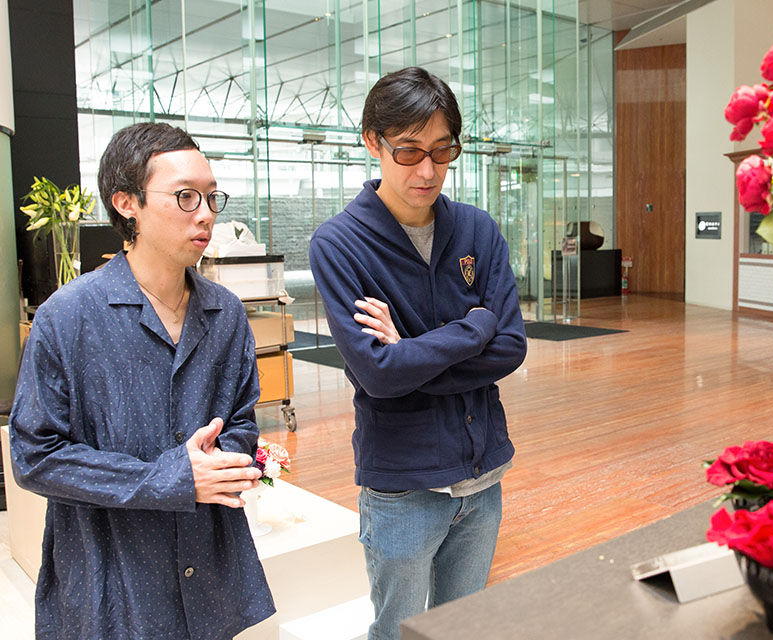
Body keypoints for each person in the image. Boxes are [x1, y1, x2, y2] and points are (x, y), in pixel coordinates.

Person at [9, 122, 276, 639]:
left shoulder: (225, 313)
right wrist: (172, 477)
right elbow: (35, 456)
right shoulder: (68, 317)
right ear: (127, 203)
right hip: (114, 580)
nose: (206, 213)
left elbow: (242, 421)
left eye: (211, 197)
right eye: (185, 196)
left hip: (208, 573)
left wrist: (222, 460)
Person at [308, 67, 527, 640]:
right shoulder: (339, 244)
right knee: (398, 631)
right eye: (408, 151)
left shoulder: (477, 230)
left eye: (442, 150)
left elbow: (510, 347)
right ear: (372, 142)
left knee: (461, 627)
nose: (428, 171)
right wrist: (474, 327)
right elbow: (378, 376)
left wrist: (410, 352)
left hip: (483, 471)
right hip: (403, 484)